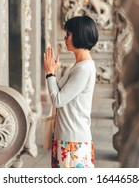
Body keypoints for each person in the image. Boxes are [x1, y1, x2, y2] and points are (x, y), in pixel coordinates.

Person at [43, 15, 99, 168]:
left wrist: (50, 73)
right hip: (66, 138)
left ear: (79, 35)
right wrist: (52, 73)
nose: (65, 39)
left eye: (68, 34)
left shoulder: (84, 69)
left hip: (73, 142)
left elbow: (58, 100)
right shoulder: (78, 66)